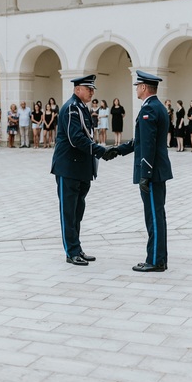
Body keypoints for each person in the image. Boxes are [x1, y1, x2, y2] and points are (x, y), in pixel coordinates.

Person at [103, 70, 173, 272]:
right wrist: (118, 150)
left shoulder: (148, 110)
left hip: (152, 172)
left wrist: (145, 173)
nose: (136, 90)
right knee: (156, 215)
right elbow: (140, 141)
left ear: (143, 88)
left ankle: (155, 260)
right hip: (157, 170)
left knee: (153, 216)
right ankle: (158, 258)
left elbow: (148, 145)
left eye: (137, 86)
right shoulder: (156, 107)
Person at [51, 75, 113, 266]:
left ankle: (76, 247)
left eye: (93, 89)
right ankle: (71, 252)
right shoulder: (71, 108)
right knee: (69, 212)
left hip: (80, 168)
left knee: (78, 211)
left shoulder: (81, 108)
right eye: (89, 89)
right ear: (78, 89)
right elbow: (75, 138)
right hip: (68, 167)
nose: (92, 92)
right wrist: (100, 151)